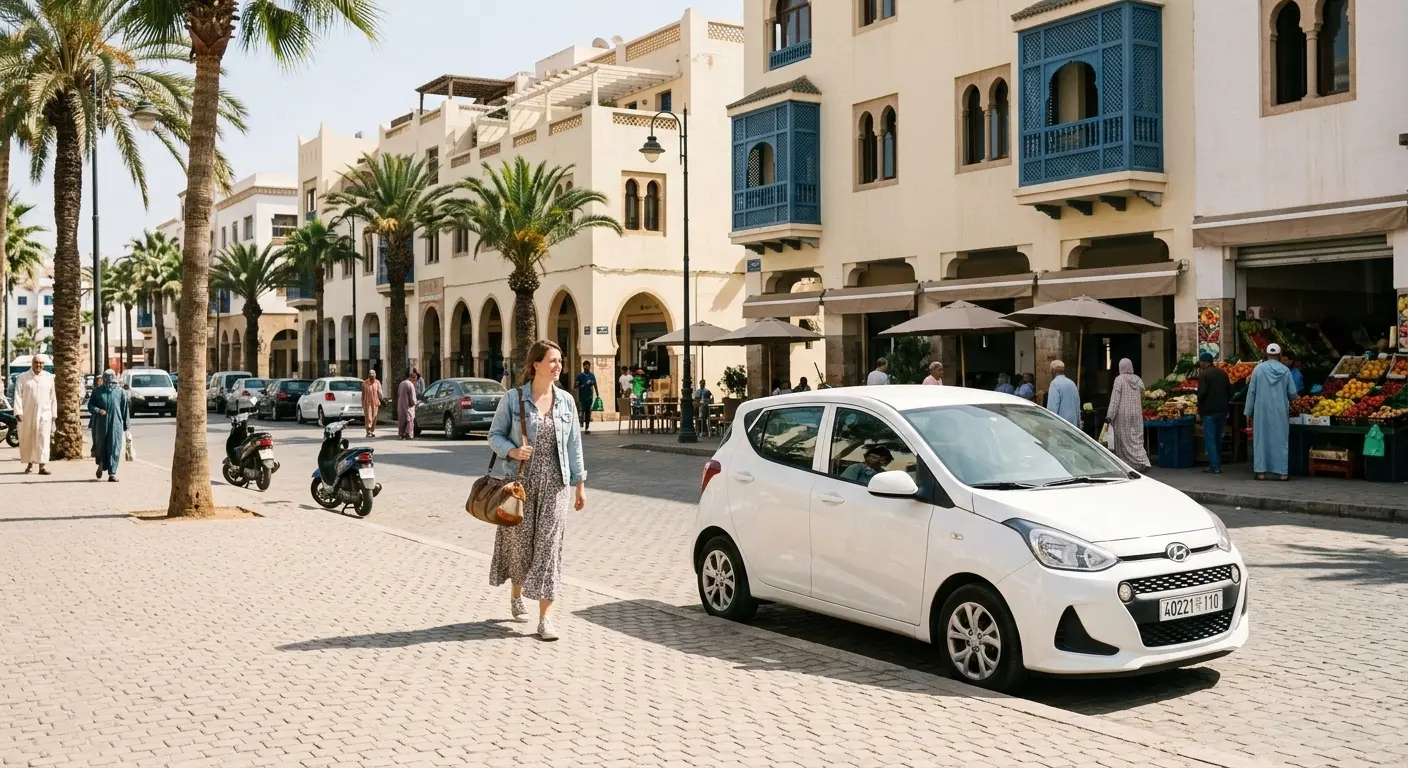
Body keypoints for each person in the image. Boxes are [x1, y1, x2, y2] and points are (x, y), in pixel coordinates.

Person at [488, 340, 587, 642]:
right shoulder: (513, 398)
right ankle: (516, 593)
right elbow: (494, 435)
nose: (558, 366)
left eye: (560, 360)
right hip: (521, 484)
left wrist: (580, 485)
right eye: (553, 360)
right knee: (520, 547)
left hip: (556, 484)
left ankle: (546, 619)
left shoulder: (566, 401)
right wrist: (512, 451)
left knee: (549, 549)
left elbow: (574, 445)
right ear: (536, 364)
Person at [1245, 342, 1298, 481]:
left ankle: (1261, 472)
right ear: (1279, 355)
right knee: (1281, 440)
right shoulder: (1285, 371)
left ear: (1266, 354)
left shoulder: (1258, 369)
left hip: (1261, 411)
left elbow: (1251, 392)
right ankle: (1282, 473)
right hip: (1280, 410)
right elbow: (1293, 393)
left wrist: (1248, 412)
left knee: (1261, 440)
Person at [1105, 359, 1151, 471]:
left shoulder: (1119, 380)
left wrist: (1109, 416)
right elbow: (1143, 396)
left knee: (1123, 439)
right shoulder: (1139, 380)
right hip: (1136, 414)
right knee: (1136, 438)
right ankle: (1142, 461)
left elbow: (1115, 400)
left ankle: (1127, 465)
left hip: (1122, 415)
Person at [14, 355, 57, 475]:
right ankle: (30, 464)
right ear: (32, 363)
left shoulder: (49, 377)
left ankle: (42, 466)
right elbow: (18, 395)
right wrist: (18, 412)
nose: (39, 365)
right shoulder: (23, 377)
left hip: (45, 414)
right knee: (29, 438)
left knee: (43, 439)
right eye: (36, 363)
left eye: (41, 363)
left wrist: (54, 413)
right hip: (27, 414)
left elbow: (53, 397)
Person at [88, 369, 130, 482]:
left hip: (116, 424)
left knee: (114, 447)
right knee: (101, 445)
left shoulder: (120, 392)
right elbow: (90, 406)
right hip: (101, 424)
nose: (109, 381)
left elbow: (124, 409)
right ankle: (101, 464)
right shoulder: (97, 391)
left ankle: (112, 473)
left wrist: (126, 425)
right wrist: (98, 410)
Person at [1197, 353, 1231, 475]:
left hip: (1209, 411)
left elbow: (1202, 393)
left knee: (1210, 439)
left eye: (1201, 362)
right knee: (1217, 438)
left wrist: (1199, 405)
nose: (1200, 364)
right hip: (1222, 410)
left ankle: (1214, 466)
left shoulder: (1204, 374)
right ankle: (1217, 463)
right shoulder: (1223, 373)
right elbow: (1229, 391)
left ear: (1204, 362)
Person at [1046, 360, 1080, 428]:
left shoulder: (1054, 384)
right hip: (1073, 426)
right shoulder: (1072, 383)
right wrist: (1078, 424)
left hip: (1061, 426)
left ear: (1053, 371)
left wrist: (1049, 426)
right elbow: (1077, 407)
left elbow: (1052, 409)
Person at [574, 360, 598, 433]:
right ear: (583, 367)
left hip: (589, 397)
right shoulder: (580, 376)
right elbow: (575, 386)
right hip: (582, 397)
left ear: (590, 367)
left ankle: (587, 428)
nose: (587, 368)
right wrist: (581, 385)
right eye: (585, 366)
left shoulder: (592, 375)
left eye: (588, 366)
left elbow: (595, 384)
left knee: (588, 412)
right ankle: (580, 423)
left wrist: (597, 394)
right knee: (582, 411)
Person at [397, 370, 420, 440]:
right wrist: (416, 403)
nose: (415, 382)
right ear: (413, 378)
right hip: (408, 406)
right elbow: (413, 398)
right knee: (410, 419)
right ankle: (408, 434)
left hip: (401, 405)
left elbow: (398, 393)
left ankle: (401, 434)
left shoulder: (401, 383)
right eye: (415, 380)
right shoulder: (410, 385)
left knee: (402, 420)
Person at [361, 371, 384, 438]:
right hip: (367, 403)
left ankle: (372, 430)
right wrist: (362, 403)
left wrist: (382, 399)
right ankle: (368, 431)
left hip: (375, 402)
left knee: (374, 417)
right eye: (371, 376)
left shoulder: (377, 382)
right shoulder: (364, 383)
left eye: (373, 376)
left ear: (375, 376)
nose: (372, 377)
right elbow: (363, 394)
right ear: (369, 376)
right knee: (368, 417)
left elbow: (379, 392)